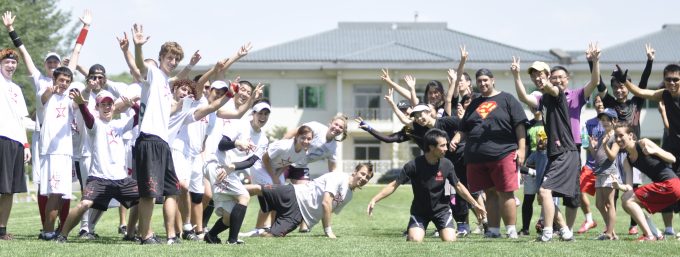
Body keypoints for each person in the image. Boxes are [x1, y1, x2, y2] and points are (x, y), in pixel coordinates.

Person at [3, 10, 90, 237]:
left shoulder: (69, 88)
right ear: (48, 69)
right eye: (49, 62)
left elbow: (77, 52)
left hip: (66, 152)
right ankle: (49, 231)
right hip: (49, 149)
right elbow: (26, 55)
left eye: (56, 63)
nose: (53, 66)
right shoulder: (43, 86)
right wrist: (11, 30)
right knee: (51, 192)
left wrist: (85, 28)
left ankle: (58, 231)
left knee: (63, 193)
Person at [514, 44, 603, 235]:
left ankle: (565, 229)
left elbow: (594, 82)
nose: (557, 80)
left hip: (571, 147)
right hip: (554, 148)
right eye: (554, 77)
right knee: (545, 193)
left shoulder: (574, 94)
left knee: (569, 196)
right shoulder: (543, 98)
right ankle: (562, 229)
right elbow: (524, 97)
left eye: (560, 77)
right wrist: (517, 76)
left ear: (567, 79)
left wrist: (594, 62)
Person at [368, 129, 485, 242]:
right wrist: (374, 199)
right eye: (442, 145)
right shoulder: (413, 165)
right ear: (431, 147)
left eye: (446, 145)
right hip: (420, 212)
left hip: (442, 211)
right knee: (414, 240)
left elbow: (458, 186)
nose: (446, 148)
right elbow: (394, 185)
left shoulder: (447, 164)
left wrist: (475, 204)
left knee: (450, 240)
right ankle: (413, 229)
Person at [55, 90, 140, 243]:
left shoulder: (120, 124)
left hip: (121, 180)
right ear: (98, 107)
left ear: (114, 107)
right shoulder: (96, 124)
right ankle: (63, 235)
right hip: (98, 179)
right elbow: (87, 118)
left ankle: (130, 234)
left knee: (142, 199)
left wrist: (132, 104)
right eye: (103, 105)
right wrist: (81, 104)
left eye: (109, 104)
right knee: (85, 203)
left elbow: (139, 116)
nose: (106, 107)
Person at [453, 67, 527, 239]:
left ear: (493, 80)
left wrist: (522, 149)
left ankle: (510, 230)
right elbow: (464, 128)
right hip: (478, 157)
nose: (483, 83)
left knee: (506, 192)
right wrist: (456, 138)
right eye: (479, 81)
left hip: (503, 153)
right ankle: (493, 230)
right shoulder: (473, 104)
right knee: (489, 193)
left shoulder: (507, 99)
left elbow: (520, 125)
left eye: (486, 80)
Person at [203, 99, 272, 244]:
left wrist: (233, 167)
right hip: (217, 164)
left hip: (229, 170)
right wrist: (237, 142)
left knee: (229, 217)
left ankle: (210, 235)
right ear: (253, 113)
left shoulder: (263, 139)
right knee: (244, 196)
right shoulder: (240, 125)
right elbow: (221, 145)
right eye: (260, 113)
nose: (263, 117)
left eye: (266, 114)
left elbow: (252, 161)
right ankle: (232, 240)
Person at [243, 163, 372, 238]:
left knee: (271, 235)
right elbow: (326, 203)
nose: (364, 178)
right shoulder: (339, 177)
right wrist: (328, 231)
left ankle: (255, 233)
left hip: (297, 216)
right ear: (355, 171)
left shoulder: (349, 196)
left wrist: (307, 223)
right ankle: (227, 190)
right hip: (294, 193)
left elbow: (326, 211)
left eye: (368, 177)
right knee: (259, 189)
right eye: (363, 173)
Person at [241, 125, 314, 237]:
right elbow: (265, 158)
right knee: (269, 192)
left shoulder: (304, 153)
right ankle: (258, 228)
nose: (306, 141)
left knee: (278, 195)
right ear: (296, 137)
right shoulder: (284, 146)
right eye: (303, 138)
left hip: (274, 170)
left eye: (309, 139)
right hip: (260, 166)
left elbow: (287, 163)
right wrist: (273, 177)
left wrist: (278, 176)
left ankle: (270, 227)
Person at [612, 124, 680, 241]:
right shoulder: (627, 160)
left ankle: (649, 235)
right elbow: (629, 187)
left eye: (621, 135)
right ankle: (656, 234)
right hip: (663, 188)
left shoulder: (643, 143)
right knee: (628, 202)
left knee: (627, 200)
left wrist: (655, 151)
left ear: (631, 135)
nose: (618, 139)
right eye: (616, 136)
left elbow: (672, 158)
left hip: (671, 184)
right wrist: (619, 186)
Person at [0, 52, 31, 240]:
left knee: (9, 189)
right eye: (6, 61)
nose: (10, 65)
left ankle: (2, 230)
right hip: (0, 137)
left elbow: (22, 119)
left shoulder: (17, 89)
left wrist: (26, 144)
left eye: (13, 62)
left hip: (16, 141)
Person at [589, 108, 624, 240]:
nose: (604, 122)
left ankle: (609, 233)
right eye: (602, 120)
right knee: (599, 204)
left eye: (606, 120)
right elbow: (597, 156)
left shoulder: (615, 136)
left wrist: (604, 146)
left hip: (609, 173)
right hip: (600, 172)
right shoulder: (602, 135)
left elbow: (612, 156)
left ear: (614, 121)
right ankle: (611, 231)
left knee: (609, 203)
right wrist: (591, 147)